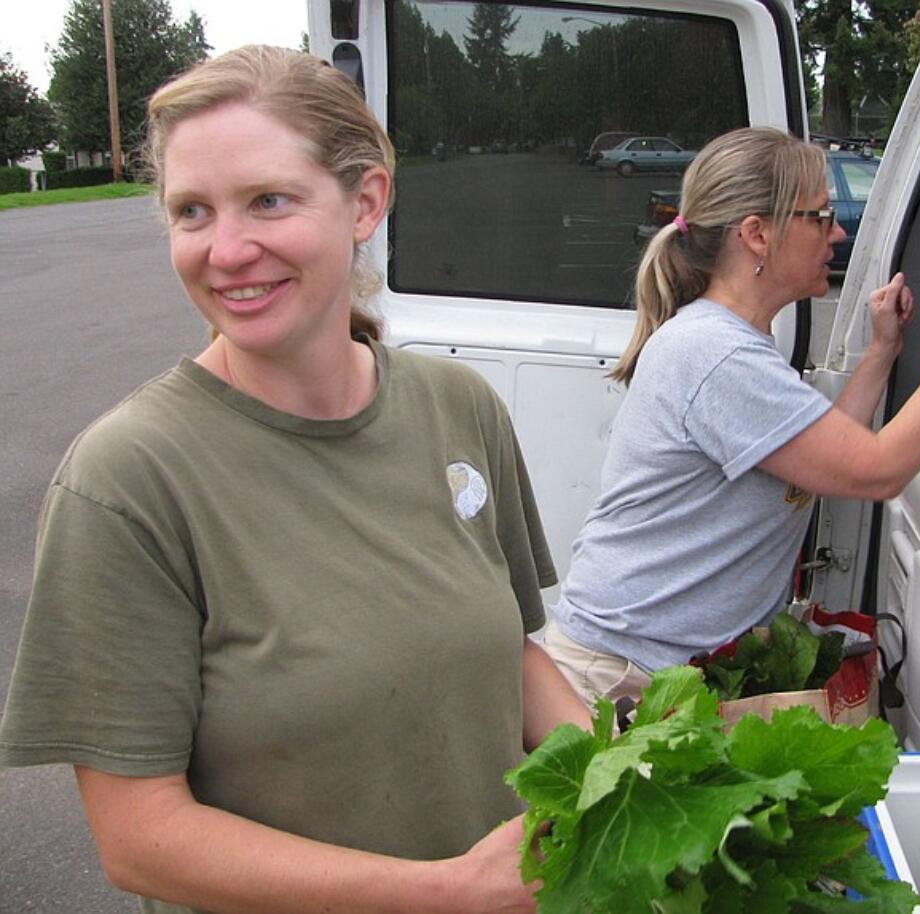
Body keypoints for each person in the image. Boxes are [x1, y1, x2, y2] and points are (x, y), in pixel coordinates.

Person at [0, 46, 590, 914]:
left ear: (366, 201)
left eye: (267, 200)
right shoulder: (129, 480)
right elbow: (139, 839)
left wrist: (616, 776)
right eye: (191, 211)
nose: (227, 250)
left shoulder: (457, 407)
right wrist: (448, 892)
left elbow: (513, 653)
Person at [540, 126, 920, 707]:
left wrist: (881, 354)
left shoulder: (736, 342)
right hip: (620, 679)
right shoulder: (716, 353)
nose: (838, 232)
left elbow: (818, 461)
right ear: (757, 234)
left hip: (655, 673)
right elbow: (878, 470)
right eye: (821, 217)